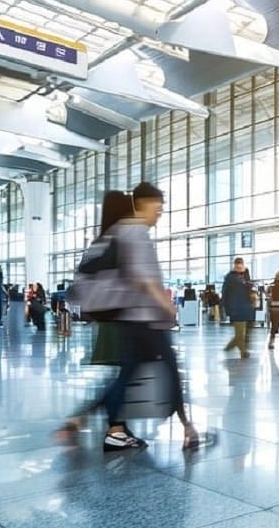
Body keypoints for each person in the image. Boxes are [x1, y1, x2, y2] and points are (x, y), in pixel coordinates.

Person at [59, 185, 201, 449]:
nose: (159, 214)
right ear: (142, 203)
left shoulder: (116, 231)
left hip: (130, 318)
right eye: (157, 208)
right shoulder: (135, 231)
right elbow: (143, 278)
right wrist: (168, 307)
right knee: (170, 372)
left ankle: (84, 420)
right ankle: (188, 430)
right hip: (146, 318)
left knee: (127, 375)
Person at [222, 257, 255, 358]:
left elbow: (250, 290)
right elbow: (225, 294)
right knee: (240, 334)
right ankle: (241, 352)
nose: (239, 266)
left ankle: (233, 349)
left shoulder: (246, 277)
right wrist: (227, 309)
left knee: (243, 334)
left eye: (241, 263)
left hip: (247, 309)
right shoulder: (230, 277)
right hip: (236, 308)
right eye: (238, 263)